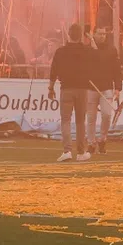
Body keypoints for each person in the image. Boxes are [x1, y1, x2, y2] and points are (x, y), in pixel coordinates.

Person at [47, 24, 97, 163]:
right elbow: (96, 55)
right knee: (80, 121)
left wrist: (50, 88)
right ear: (81, 35)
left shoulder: (60, 52)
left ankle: (67, 151)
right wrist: (91, 39)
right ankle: (81, 152)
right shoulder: (87, 50)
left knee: (66, 121)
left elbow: (53, 72)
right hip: (82, 89)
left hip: (66, 89)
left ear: (68, 35)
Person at [91, 31, 122, 155]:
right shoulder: (88, 49)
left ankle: (102, 139)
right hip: (90, 87)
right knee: (91, 118)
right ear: (94, 34)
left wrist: (118, 87)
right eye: (99, 34)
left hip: (106, 87)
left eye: (104, 34)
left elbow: (117, 69)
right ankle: (91, 142)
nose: (102, 36)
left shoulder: (111, 50)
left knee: (106, 115)